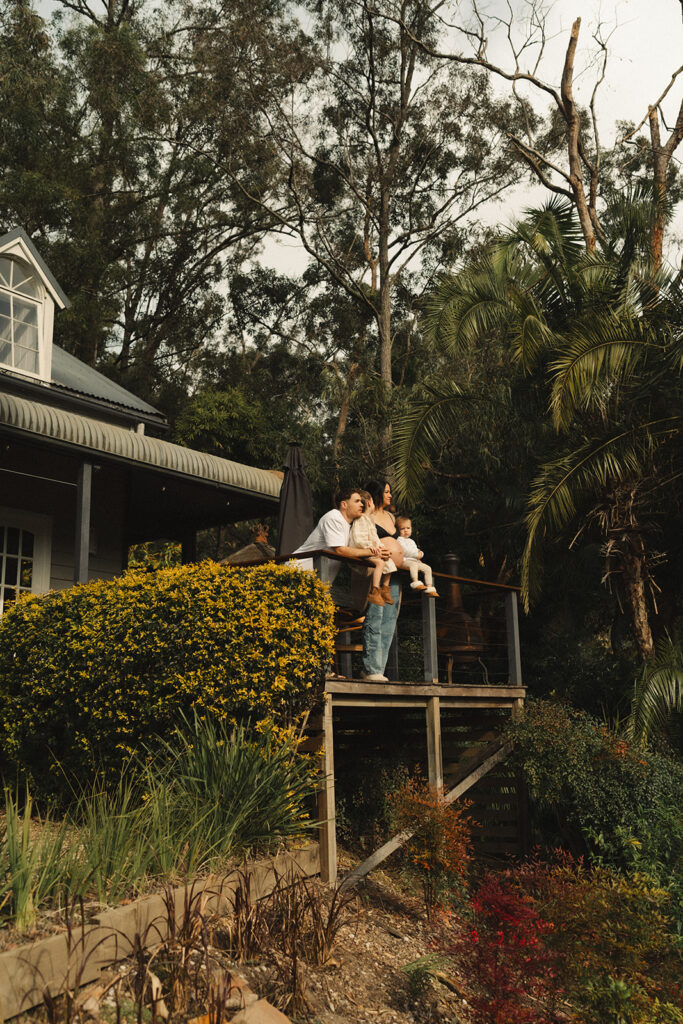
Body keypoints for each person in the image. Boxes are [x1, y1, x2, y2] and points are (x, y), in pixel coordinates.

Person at [294, 487, 389, 583]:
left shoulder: (351, 525)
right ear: (344, 504)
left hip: (318, 578)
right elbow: (340, 550)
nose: (361, 505)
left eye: (361, 501)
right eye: (357, 501)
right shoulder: (334, 518)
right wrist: (372, 552)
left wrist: (381, 552)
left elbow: (355, 549)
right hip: (298, 570)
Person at [360, 479, 404, 682]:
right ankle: (370, 668)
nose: (390, 495)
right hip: (374, 574)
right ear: (376, 494)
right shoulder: (366, 516)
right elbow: (361, 538)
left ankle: (379, 669)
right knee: (375, 617)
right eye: (386, 492)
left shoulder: (391, 516)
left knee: (389, 621)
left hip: (394, 575)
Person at [349, 490, 397, 606]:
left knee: (389, 561)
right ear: (370, 503)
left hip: (372, 551)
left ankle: (385, 589)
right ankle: (375, 590)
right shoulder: (361, 519)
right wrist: (369, 547)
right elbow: (359, 537)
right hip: (363, 551)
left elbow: (375, 538)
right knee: (380, 563)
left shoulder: (369, 521)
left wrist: (382, 548)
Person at [396, 516, 439, 596]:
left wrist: (421, 554)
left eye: (408, 528)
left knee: (427, 568)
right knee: (413, 565)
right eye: (402, 528)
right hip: (404, 561)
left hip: (414, 560)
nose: (406, 530)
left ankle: (429, 588)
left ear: (411, 529)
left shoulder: (411, 541)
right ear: (398, 530)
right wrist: (417, 555)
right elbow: (406, 552)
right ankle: (415, 582)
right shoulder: (399, 540)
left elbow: (417, 551)